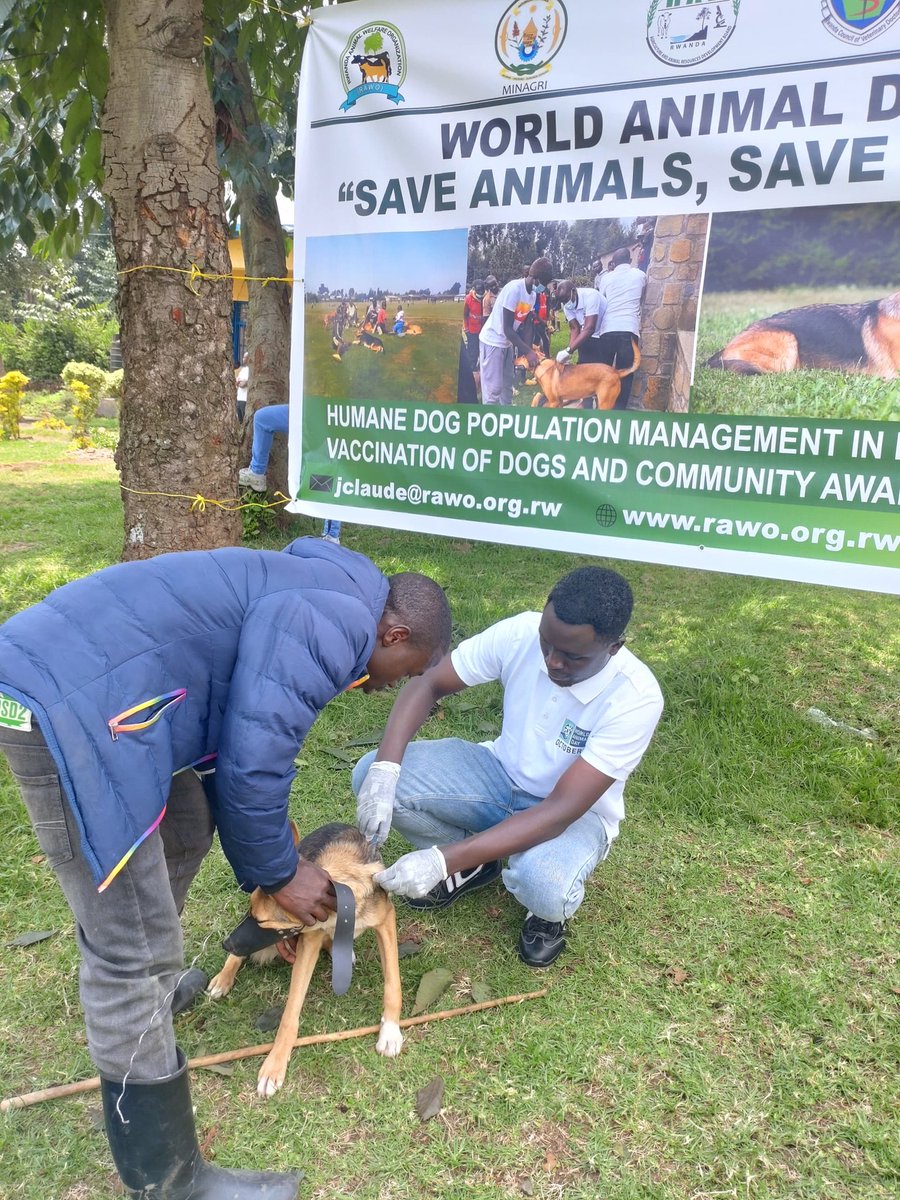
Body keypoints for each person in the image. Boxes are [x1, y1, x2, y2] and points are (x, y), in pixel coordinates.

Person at [0, 539, 451, 1199]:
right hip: (65, 705)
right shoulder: (333, 628)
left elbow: (237, 723)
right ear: (395, 632)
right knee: (134, 944)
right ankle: (169, 1179)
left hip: (110, 685)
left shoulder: (337, 591)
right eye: (400, 670)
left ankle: (146, 1003)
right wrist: (280, 870)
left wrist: (272, 860)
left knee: (186, 825)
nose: (386, 686)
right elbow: (253, 760)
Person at [353, 567, 662, 968]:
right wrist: (385, 772)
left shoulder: (636, 698)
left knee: (544, 884)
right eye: (547, 644)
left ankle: (541, 912)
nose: (553, 661)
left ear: (614, 647)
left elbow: (556, 814)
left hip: (573, 815)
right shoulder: (520, 633)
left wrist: (440, 860)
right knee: (369, 772)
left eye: (573, 656)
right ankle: (476, 864)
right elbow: (428, 684)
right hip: (498, 776)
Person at [239, 404, 343, 543]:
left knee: (325, 471)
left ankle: (332, 534)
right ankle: (257, 472)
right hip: (311, 410)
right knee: (262, 418)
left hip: (324, 414)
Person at [477, 258, 554, 406]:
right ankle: (488, 424)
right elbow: (507, 329)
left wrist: (529, 349)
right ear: (536, 279)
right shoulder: (514, 289)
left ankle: (506, 421)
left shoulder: (532, 295)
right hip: (493, 341)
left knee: (507, 386)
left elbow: (528, 325)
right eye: (544, 284)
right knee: (493, 390)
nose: (544, 288)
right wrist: (527, 351)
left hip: (507, 344)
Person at [595, 247, 646, 410]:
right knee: (625, 374)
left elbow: (603, 301)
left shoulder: (606, 279)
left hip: (607, 329)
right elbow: (642, 297)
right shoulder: (640, 275)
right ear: (630, 261)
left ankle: (601, 408)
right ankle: (618, 411)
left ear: (613, 263)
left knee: (603, 373)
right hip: (628, 329)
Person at [554, 279, 607, 366]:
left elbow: (590, 328)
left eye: (566, 299)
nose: (566, 303)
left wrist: (569, 350)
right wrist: (569, 351)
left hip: (602, 333)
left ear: (574, 291)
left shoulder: (591, 295)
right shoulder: (567, 305)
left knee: (598, 369)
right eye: (563, 302)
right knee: (583, 366)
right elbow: (575, 328)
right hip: (585, 333)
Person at [462, 279, 486, 395]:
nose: (480, 292)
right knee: (472, 354)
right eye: (478, 290)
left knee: (484, 355)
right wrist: (466, 328)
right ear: (474, 290)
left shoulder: (486, 298)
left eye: (482, 290)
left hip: (484, 332)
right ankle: (471, 383)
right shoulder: (468, 299)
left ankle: (483, 381)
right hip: (472, 331)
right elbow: (465, 314)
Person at [235, 350, 250, 421]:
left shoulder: (250, 370)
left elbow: (243, 384)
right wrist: (240, 382)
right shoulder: (243, 370)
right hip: (239, 398)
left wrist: (241, 382)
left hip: (245, 399)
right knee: (239, 420)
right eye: (243, 357)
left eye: (245, 357)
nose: (243, 359)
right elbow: (237, 382)